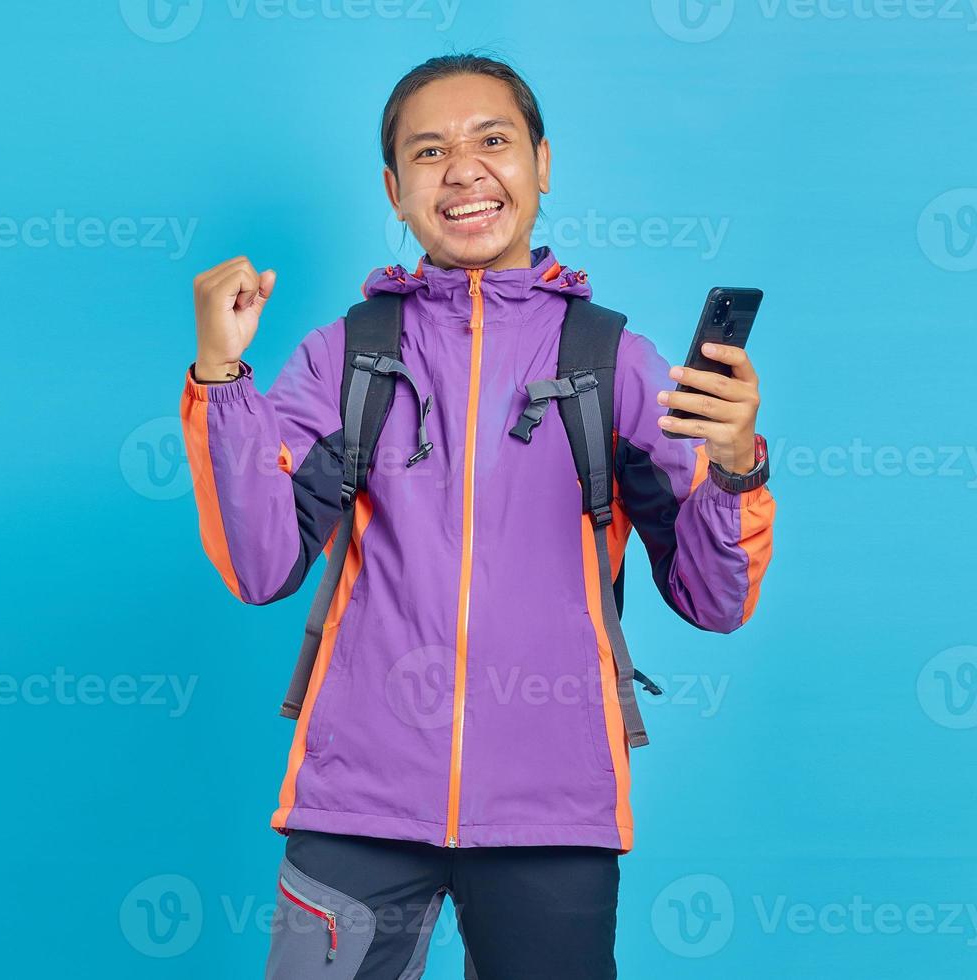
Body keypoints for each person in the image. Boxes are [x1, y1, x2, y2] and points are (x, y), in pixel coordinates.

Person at [180, 53, 775, 980]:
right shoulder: (347, 352)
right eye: (429, 151)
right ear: (395, 188)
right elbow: (262, 566)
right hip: (357, 803)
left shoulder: (612, 358)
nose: (462, 170)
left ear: (541, 162)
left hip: (555, 804)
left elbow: (713, 598)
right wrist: (221, 378)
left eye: (492, 141)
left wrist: (736, 465)